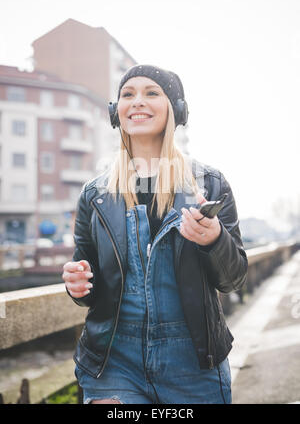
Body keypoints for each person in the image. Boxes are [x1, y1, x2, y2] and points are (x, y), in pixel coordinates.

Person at [62, 64, 248, 404]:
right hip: (113, 363)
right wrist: (77, 285)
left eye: (151, 93)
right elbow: (88, 281)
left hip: (193, 362)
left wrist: (214, 240)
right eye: (127, 94)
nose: (137, 102)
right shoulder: (95, 194)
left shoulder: (209, 183)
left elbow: (233, 280)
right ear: (115, 112)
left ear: (175, 110)